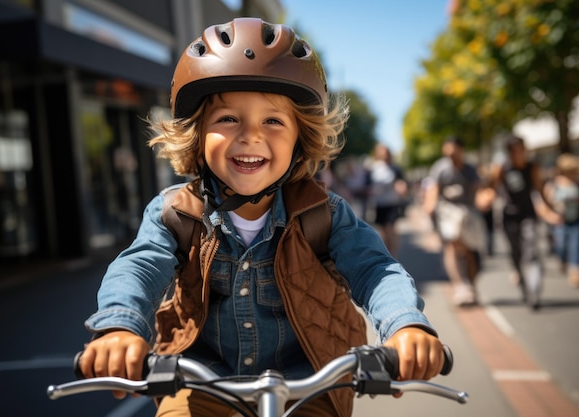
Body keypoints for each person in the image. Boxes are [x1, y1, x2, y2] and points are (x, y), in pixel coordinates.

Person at [78, 18, 445, 417]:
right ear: (198, 136)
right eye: (227, 119)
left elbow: (375, 269)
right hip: (200, 378)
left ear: (300, 138)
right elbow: (140, 265)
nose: (250, 135)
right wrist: (120, 326)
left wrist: (406, 325)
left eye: (272, 120)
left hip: (309, 377)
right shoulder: (177, 212)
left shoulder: (324, 214)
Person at [489, 134, 562, 310]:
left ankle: (534, 291)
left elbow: (540, 190)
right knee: (516, 253)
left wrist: (550, 210)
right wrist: (486, 199)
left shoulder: (532, 167)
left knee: (531, 250)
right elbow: (492, 188)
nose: (518, 154)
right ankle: (524, 286)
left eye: (521, 150)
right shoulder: (502, 169)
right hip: (509, 216)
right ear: (509, 152)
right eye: (514, 151)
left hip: (528, 215)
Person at [423, 136, 485, 307]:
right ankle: (459, 286)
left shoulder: (470, 169)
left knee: (471, 250)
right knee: (451, 244)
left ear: (461, 150)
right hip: (447, 213)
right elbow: (433, 190)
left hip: (469, 214)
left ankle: (471, 287)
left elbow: (479, 191)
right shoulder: (440, 168)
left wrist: (484, 199)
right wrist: (430, 205)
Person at [544, 153, 579, 288]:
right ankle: (563, 260)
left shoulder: (578, 184)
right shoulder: (554, 183)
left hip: (575, 219)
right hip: (559, 220)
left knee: (576, 244)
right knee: (560, 245)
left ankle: (574, 270)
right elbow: (546, 200)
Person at [369, 143, 408, 257]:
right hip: (379, 203)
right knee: (384, 230)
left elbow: (402, 183)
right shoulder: (374, 168)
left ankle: (393, 254)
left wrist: (402, 188)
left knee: (390, 228)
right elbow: (369, 184)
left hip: (392, 203)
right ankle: (387, 253)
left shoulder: (395, 169)